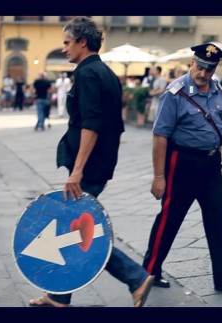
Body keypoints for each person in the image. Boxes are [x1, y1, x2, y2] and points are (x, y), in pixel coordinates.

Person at [29, 16, 154, 308]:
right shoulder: (106, 73)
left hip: (90, 166)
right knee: (71, 226)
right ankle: (59, 295)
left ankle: (135, 277)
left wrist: (78, 170)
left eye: (67, 42)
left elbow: (91, 124)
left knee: (79, 229)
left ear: (82, 41)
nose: (64, 49)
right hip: (102, 162)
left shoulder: (87, 74)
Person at [143, 42, 222, 296]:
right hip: (183, 164)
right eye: (200, 67)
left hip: (211, 164)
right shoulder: (175, 93)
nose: (203, 73)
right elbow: (160, 136)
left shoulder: (217, 88)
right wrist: (159, 177)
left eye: (209, 69)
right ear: (192, 62)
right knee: (170, 219)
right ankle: (149, 272)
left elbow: (218, 125)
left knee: (218, 221)